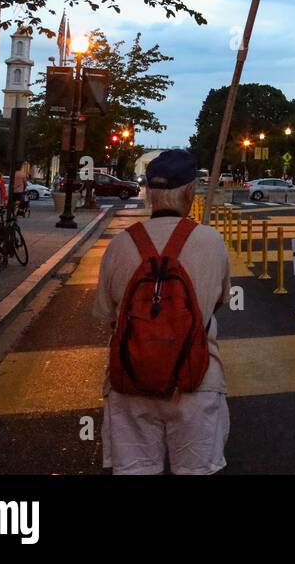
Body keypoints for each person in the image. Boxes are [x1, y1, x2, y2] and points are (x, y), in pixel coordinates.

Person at [92, 150, 231, 474]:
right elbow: (218, 301)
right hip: (196, 381)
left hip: (130, 381)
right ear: (190, 192)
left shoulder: (120, 245)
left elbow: (107, 313)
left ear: (149, 193)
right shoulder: (211, 241)